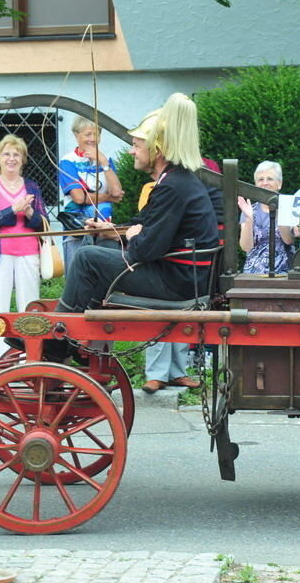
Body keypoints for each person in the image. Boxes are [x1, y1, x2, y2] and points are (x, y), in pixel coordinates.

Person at [57, 93, 219, 396]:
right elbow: (141, 223)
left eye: (136, 144)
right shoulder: (174, 181)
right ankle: (81, 336)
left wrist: (130, 235)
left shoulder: (172, 186)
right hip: (182, 277)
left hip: (179, 283)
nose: (131, 151)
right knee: (100, 251)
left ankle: (59, 334)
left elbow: (145, 247)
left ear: (157, 149)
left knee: (87, 258)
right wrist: (111, 231)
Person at [0, 135, 48, 362]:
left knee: (29, 310)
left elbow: (44, 224)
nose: (11, 158)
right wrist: (12, 209)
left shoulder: (32, 187)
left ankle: (30, 363)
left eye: (16, 154)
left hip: (29, 253)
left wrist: (29, 213)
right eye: (6, 154)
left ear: (23, 159)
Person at [58, 116, 124, 268]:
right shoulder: (68, 161)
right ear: (76, 135)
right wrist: (108, 197)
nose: (93, 139)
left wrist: (104, 163)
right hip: (78, 230)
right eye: (88, 134)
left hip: (105, 230)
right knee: (77, 280)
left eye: (97, 134)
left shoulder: (105, 159)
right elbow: (79, 198)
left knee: (105, 279)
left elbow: (117, 192)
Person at [238, 160, 294, 274]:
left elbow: (288, 240)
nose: (265, 183)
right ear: (255, 185)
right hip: (253, 272)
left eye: (270, 179)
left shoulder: (288, 206)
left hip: (284, 272)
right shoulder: (249, 209)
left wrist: (279, 210)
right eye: (260, 179)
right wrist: (249, 219)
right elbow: (246, 247)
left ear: (279, 184)